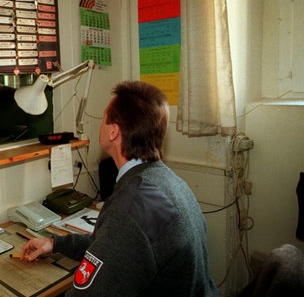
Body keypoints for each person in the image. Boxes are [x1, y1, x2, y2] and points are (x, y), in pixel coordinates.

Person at [20, 80, 219, 296]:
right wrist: (55, 243)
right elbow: (113, 246)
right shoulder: (168, 182)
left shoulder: (131, 208)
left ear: (113, 132)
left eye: (104, 118)